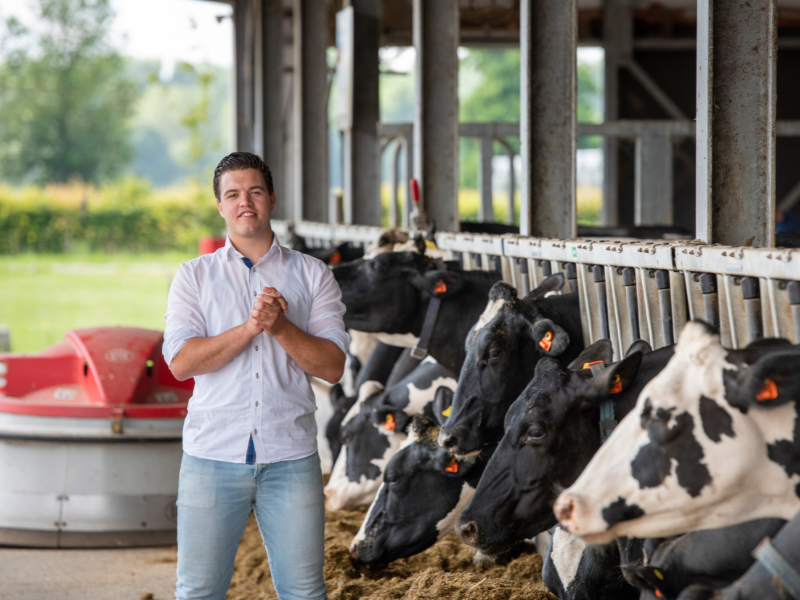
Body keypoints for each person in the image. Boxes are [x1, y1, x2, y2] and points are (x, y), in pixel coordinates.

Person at [163, 152, 348, 600]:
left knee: (305, 592)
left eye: (255, 192)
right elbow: (181, 363)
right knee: (198, 591)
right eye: (233, 194)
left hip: (290, 456)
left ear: (272, 199)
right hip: (212, 455)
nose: (245, 202)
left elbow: (333, 367)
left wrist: (280, 326)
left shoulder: (313, 274)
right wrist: (250, 327)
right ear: (220, 206)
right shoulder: (194, 277)